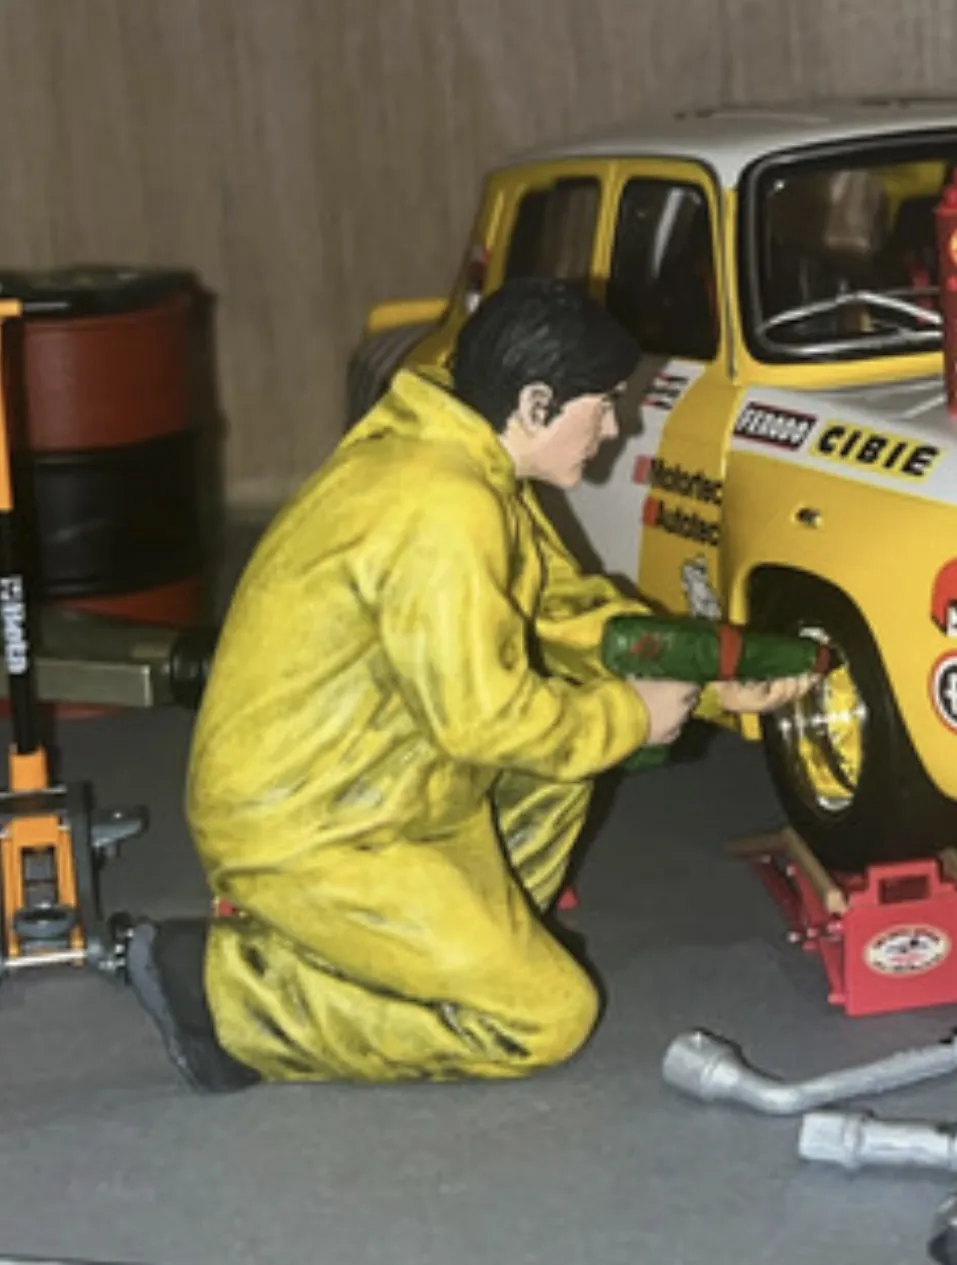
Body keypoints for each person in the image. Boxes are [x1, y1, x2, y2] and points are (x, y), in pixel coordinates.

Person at [126, 278, 812, 1092]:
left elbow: (565, 618)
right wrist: (630, 715)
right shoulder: (442, 508)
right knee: (546, 1017)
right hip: (311, 821)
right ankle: (226, 992)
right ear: (534, 404)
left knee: (570, 746)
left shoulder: (460, 456)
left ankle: (451, 949)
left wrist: (710, 684)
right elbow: (483, 722)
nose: (613, 427)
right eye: (600, 405)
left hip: (382, 777)